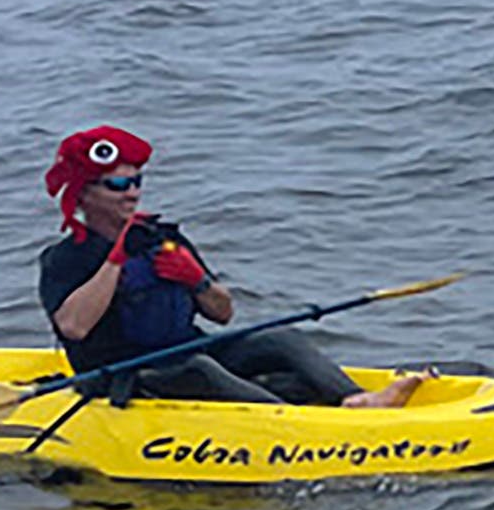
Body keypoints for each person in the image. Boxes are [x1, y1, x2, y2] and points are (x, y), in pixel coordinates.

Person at [38, 125, 423, 407]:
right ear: (83, 194)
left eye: (137, 182)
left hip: (190, 350)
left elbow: (222, 313)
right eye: (119, 186)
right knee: (200, 371)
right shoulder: (65, 259)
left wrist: (197, 281)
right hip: (124, 375)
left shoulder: (162, 239)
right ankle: (295, 422)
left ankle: (359, 399)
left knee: (280, 340)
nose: (133, 193)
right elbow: (73, 326)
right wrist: (116, 259)